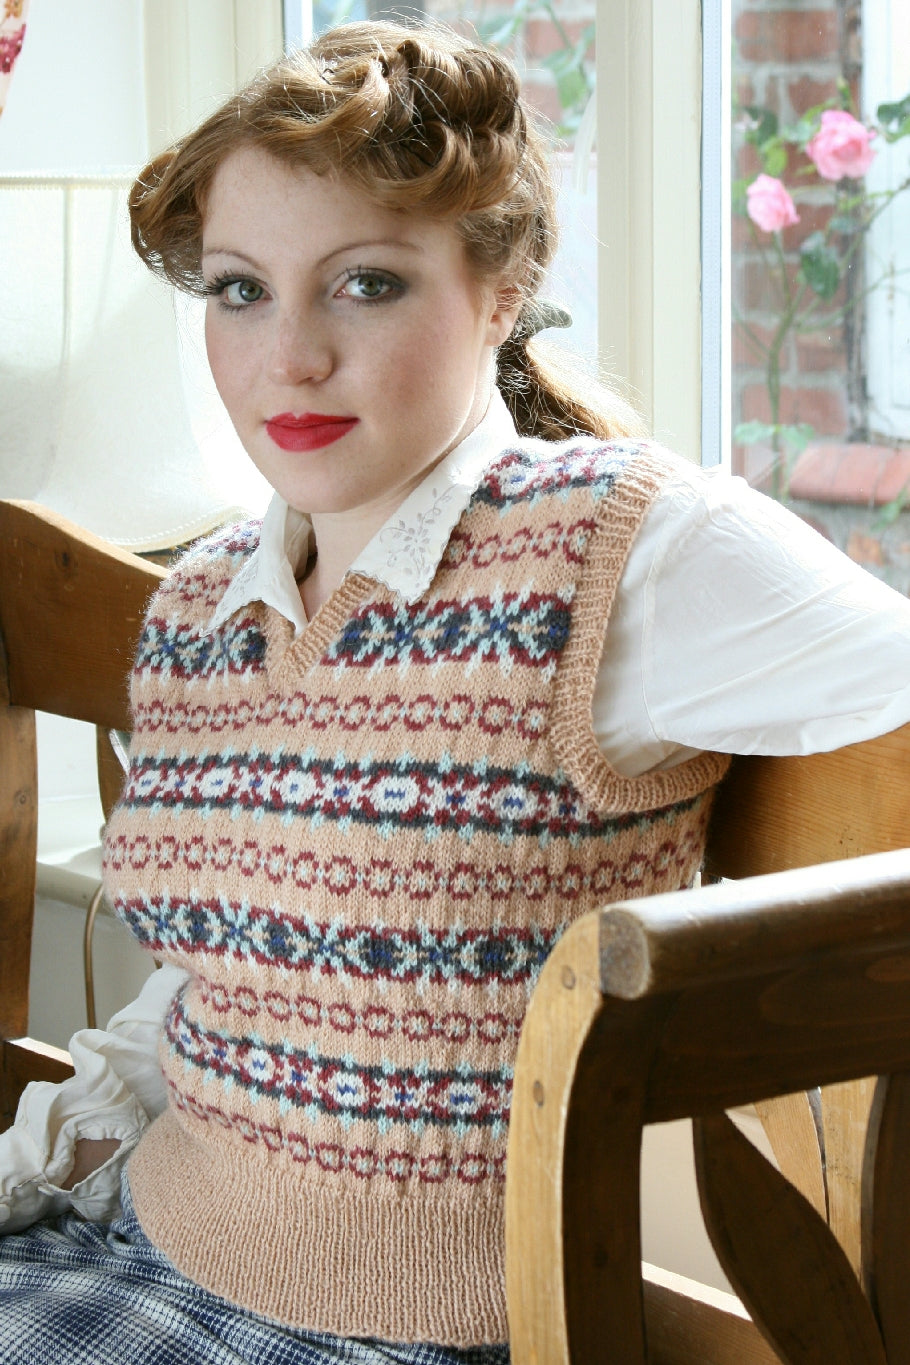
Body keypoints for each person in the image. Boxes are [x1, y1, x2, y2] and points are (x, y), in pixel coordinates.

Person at [2, 18, 910, 1364]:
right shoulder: (203, 600)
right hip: (126, 1239)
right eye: (240, 289)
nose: (287, 357)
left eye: (363, 284)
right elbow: (208, 983)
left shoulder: (617, 546)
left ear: (500, 288)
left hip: (395, 1336)